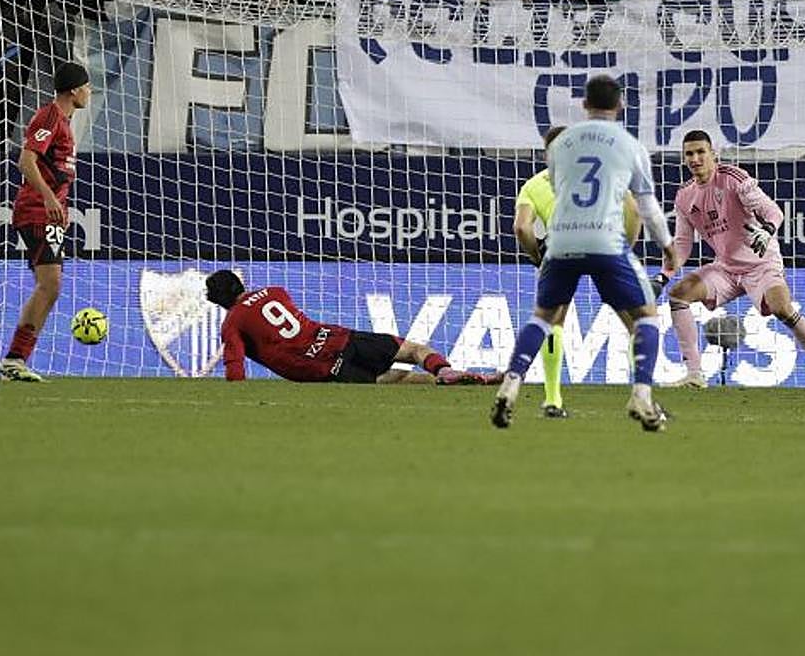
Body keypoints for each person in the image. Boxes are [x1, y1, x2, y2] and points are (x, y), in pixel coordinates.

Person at [491, 75, 678, 432]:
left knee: (543, 317)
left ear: (584, 105)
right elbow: (645, 207)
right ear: (620, 105)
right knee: (646, 318)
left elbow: (560, 188)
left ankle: (511, 384)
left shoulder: (561, 145)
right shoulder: (629, 145)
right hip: (606, 241)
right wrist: (667, 246)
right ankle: (641, 395)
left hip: (561, 242)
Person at [654, 130, 805, 391]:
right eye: (689, 154)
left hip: (761, 261)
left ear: (713, 154)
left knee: (782, 308)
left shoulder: (734, 179)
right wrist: (663, 276)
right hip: (726, 267)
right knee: (679, 294)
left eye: (701, 152)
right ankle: (694, 375)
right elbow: (682, 244)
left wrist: (767, 229)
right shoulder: (684, 196)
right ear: (684, 159)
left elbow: (773, 211)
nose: (695, 158)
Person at [513, 125, 642, 417]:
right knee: (637, 323)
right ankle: (641, 398)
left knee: (552, 323)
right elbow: (634, 211)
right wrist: (626, 248)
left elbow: (521, 227)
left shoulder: (534, 184)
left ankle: (552, 399)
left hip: (561, 248)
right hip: (603, 245)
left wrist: (536, 256)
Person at [205, 270, 492, 384]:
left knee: (392, 381)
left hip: (320, 366)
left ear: (218, 298)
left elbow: (235, 368)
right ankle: (444, 370)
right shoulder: (276, 291)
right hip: (339, 337)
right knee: (413, 350)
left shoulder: (233, 322)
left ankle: (440, 382)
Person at [0, 63, 92, 382]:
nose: (89, 92)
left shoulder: (63, 122)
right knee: (50, 284)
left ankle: (16, 358)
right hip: (36, 209)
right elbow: (26, 160)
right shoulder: (50, 117)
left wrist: (59, 208)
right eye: (87, 86)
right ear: (74, 90)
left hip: (49, 212)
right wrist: (50, 198)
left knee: (51, 287)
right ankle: (14, 359)